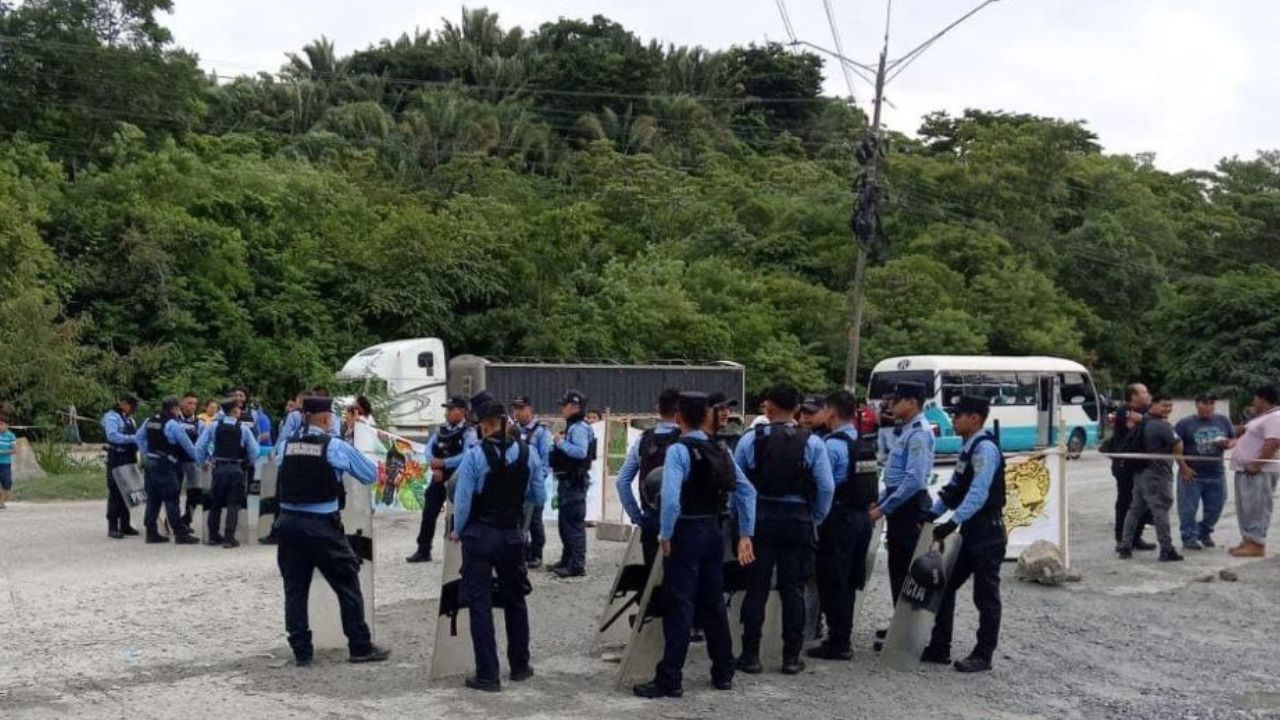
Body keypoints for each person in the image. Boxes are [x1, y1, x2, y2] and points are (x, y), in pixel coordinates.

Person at [633, 392, 757, 699]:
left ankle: (670, 677)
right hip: (714, 529)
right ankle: (723, 671)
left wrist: (665, 533)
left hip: (686, 530)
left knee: (680, 606)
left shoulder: (679, 450)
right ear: (705, 415)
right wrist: (746, 533)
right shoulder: (720, 448)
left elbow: (671, 498)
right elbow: (747, 491)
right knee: (714, 602)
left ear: (679, 416)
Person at [273, 395, 390, 666]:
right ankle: (360, 646)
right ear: (326, 418)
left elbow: (282, 466)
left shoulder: (287, 445)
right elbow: (369, 475)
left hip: (288, 524)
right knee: (347, 583)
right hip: (321, 525)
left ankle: (301, 651)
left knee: (295, 589)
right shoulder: (334, 446)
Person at [732, 385, 834, 675]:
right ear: (798, 410)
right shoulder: (812, 443)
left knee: (756, 588)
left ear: (769, 409)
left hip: (760, 518)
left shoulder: (750, 440)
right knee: (794, 590)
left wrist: (741, 523)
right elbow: (826, 486)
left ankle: (750, 655)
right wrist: (814, 516)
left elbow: (737, 485)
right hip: (797, 520)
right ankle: (791, 656)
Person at [448, 400, 544, 692]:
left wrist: (457, 530)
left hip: (480, 536)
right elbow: (538, 496)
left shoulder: (475, 457)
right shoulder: (528, 454)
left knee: (480, 605)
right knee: (516, 600)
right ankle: (519, 666)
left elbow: (462, 502)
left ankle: (488, 674)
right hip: (511, 536)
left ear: (483, 425)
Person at [921, 396, 1007, 672]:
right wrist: (933, 513)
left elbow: (979, 492)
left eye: (958, 415)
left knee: (985, 596)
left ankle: (984, 654)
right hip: (972, 530)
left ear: (975, 418)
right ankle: (939, 647)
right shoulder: (968, 449)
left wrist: (953, 521)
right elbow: (954, 488)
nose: (954, 420)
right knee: (943, 586)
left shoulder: (984, 450)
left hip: (988, 531)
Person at [809, 390, 876, 662]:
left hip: (838, 518)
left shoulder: (830, 445)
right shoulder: (860, 441)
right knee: (850, 579)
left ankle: (837, 641)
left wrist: (815, 516)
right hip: (861, 518)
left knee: (832, 578)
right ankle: (843, 636)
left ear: (832, 412)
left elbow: (822, 484)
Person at [873, 382, 934, 612]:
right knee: (897, 566)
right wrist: (880, 498)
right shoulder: (907, 429)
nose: (891, 404)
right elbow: (896, 478)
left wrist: (883, 508)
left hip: (910, 508)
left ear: (912, 402)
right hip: (901, 505)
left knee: (907, 568)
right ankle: (899, 623)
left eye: (897, 400)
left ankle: (907, 628)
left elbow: (913, 481)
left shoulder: (918, 433)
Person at [1117, 393, 1191, 562]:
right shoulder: (1161, 426)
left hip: (1140, 472)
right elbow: (1178, 443)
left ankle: (1125, 546)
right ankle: (1166, 549)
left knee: (1134, 509)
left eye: (1170, 406)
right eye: (1164, 405)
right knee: (1160, 511)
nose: (1168, 409)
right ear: (1154, 405)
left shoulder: (1142, 422)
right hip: (1157, 475)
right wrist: (1183, 465)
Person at [616, 388, 682, 569]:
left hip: (651, 519)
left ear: (657, 408)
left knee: (652, 581)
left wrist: (637, 517)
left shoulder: (644, 440)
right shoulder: (687, 441)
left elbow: (622, 481)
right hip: (683, 521)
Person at [406, 396, 477, 563]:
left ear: (463, 411)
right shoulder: (442, 430)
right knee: (429, 512)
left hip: (458, 477)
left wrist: (444, 463)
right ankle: (423, 549)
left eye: (452, 409)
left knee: (457, 512)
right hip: (439, 475)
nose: (448, 413)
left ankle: (458, 553)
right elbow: (429, 449)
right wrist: (435, 465)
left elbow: (467, 455)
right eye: (448, 409)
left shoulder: (469, 432)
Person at [135, 397, 201, 545]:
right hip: (165, 464)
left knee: (153, 498)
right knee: (172, 498)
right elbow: (188, 446)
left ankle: (151, 533)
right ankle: (180, 534)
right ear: (174, 409)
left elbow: (139, 437)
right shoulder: (173, 425)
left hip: (151, 463)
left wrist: (146, 453)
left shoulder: (149, 420)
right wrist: (201, 461)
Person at [195, 400, 260, 547]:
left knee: (216, 502)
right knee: (233, 503)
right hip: (236, 468)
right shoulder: (243, 429)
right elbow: (254, 452)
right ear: (235, 411)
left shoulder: (213, 426)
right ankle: (229, 537)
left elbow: (200, 447)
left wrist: (202, 462)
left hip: (218, 468)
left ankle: (213, 535)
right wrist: (247, 463)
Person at [1224, 385, 1280, 558]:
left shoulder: (1275, 417)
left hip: (1259, 471)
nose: (1253, 402)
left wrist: (1256, 465)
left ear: (1262, 399)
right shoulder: (1262, 417)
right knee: (1246, 507)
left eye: (1255, 398)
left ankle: (1257, 543)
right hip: (1245, 470)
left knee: (1258, 506)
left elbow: (1273, 442)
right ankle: (1247, 540)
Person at [1173, 394, 1234, 550]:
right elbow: (1175, 448)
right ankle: (1188, 537)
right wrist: (1184, 467)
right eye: (1204, 404)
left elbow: (1233, 439)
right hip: (1191, 474)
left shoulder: (1222, 420)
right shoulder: (1184, 424)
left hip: (1216, 472)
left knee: (1216, 507)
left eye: (1211, 404)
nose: (1208, 408)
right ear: (1197, 405)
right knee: (1188, 509)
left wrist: (1227, 444)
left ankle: (1204, 531)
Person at [549, 389, 596, 578]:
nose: (562, 408)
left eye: (564, 405)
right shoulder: (574, 426)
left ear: (575, 407)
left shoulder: (579, 428)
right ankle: (567, 559)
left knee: (573, 524)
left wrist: (560, 443)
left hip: (574, 482)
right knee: (565, 523)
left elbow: (580, 452)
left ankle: (576, 564)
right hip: (569, 481)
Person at [1108, 383, 1156, 550]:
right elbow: (1130, 423)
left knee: (1142, 501)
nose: (1148, 394)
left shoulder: (1147, 412)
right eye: (1144, 391)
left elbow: (1156, 424)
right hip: (1124, 465)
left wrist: (1145, 419)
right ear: (1134, 396)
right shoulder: (1123, 410)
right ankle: (1121, 538)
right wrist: (1146, 421)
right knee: (1125, 501)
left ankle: (1136, 537)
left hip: (1142, 464)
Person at [510, 395, 552, 569]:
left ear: (530, 409)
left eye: (521, 408)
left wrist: (537, 480)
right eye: (515, 409)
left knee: (535, 521)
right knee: (519, 521)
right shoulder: (513, 430)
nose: (517, 412)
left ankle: (536, 553)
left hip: (534, 484)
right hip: (517, 485)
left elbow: (544, 459)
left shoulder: (541, 431)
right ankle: (523, 553)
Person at [103, 394, 141, 539]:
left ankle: (125, 525)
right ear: (124, 404)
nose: (134, 409)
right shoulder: (112, 417)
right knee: (115, 493)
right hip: (116, 458)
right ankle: (113, 527)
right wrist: (133, 438)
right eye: (133, 405)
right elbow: (112, 436)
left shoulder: (130, 419)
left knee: (129, 492)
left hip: (129, 458)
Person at [177, 392, 202, 531]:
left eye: (195, 404)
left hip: (192, 462)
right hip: (176, 461)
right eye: (189, 403)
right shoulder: (174, 420)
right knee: (174, 491)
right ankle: (173, 520)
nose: (192, 406)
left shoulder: (198, 422)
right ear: (181, 403)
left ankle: (187, 519)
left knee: (195, 493)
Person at [0, 416, 15, 509]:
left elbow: (14, 450)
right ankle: (0, 502)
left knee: (7, 482)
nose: (0, 426)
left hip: (5, 463)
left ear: (7, 425)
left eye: (1, 424)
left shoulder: (11, 436)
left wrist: (2, 452)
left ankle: (1, 501)